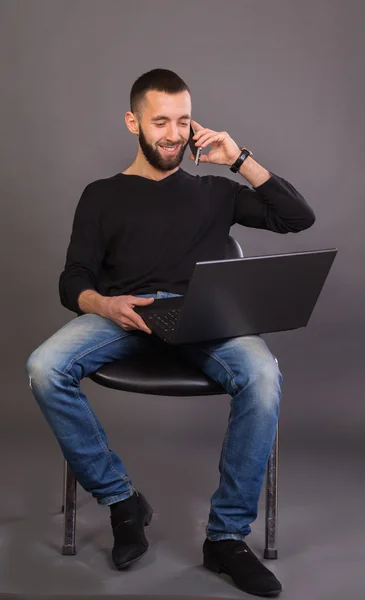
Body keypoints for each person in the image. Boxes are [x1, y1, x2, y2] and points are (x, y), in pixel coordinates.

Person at [25, 68, 315, 597]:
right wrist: (103, 304)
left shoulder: (214, 192)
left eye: (184, 121)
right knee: (44, 367)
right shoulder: (102, 194)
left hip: (206, 319)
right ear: (133, 121)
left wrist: (239, 158)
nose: (175, 134)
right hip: (125, 319)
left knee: (264, 376)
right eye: (161, 121)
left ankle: (225, 538)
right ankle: (121, 501)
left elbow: (298, 218)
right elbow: (73, 279)